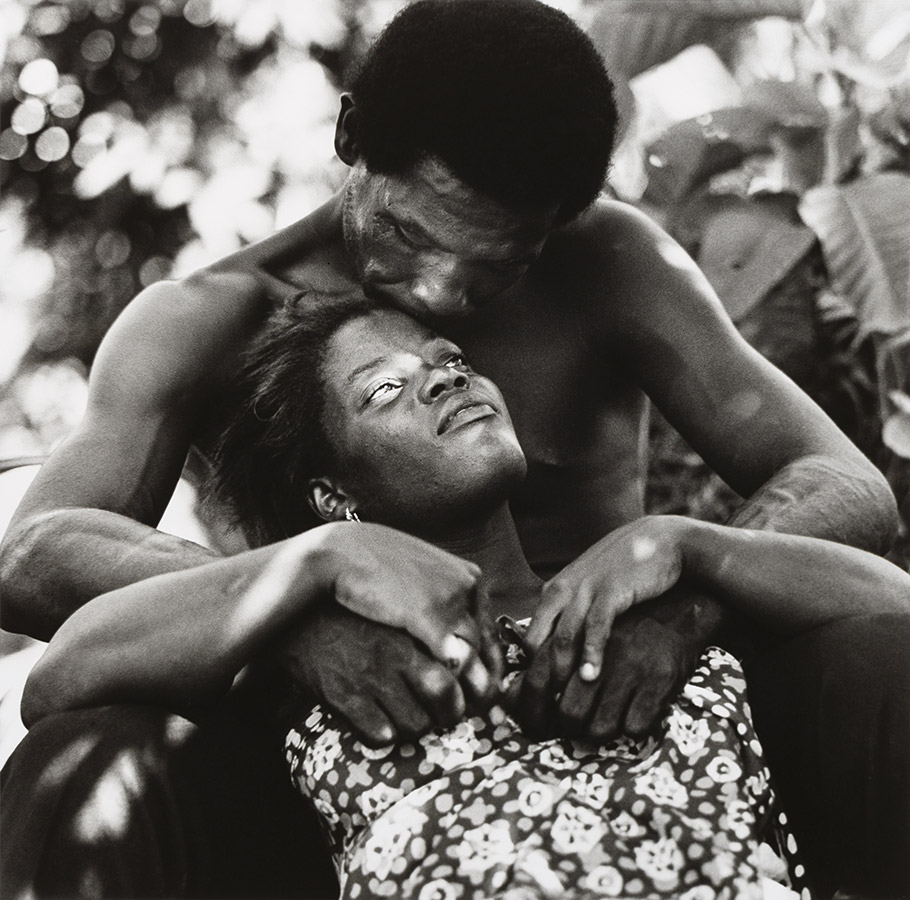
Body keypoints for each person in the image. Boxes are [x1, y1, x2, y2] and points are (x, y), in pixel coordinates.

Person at [0, 0, 905, 897]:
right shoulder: (206, 320)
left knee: (881, 656)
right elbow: (35, 552)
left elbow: (841, 483)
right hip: (354, 742)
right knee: (84, 762)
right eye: (409, 232)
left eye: (497, 264)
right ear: (353, 134)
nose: (439, 297)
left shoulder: (608, 260)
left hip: (628, 709)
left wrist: (687, 602)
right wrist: (295, 605)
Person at [21, 300, 910, 898]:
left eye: (447, 360)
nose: (442, 377)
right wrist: (313, 566)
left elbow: (892, 609)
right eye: (384, 390)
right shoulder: (331, 652)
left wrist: (693, 546)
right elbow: (59, 681)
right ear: (336, 495)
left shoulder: (643, 599)